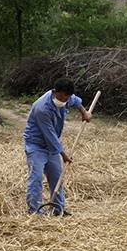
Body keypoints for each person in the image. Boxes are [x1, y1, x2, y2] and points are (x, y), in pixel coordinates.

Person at [23, 77, 91, 215]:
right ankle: (35, 212)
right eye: (61, 97)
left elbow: (76, 101)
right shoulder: (42, 108)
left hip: (51, 146)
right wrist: (64, 155)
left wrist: (84, 112)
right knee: (36, 178)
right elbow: (50, 137)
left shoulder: (67, 97)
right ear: (55, 92)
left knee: (57, 177)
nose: (64, 101)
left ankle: (57, 209)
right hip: (36, 145)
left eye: (67, 98)